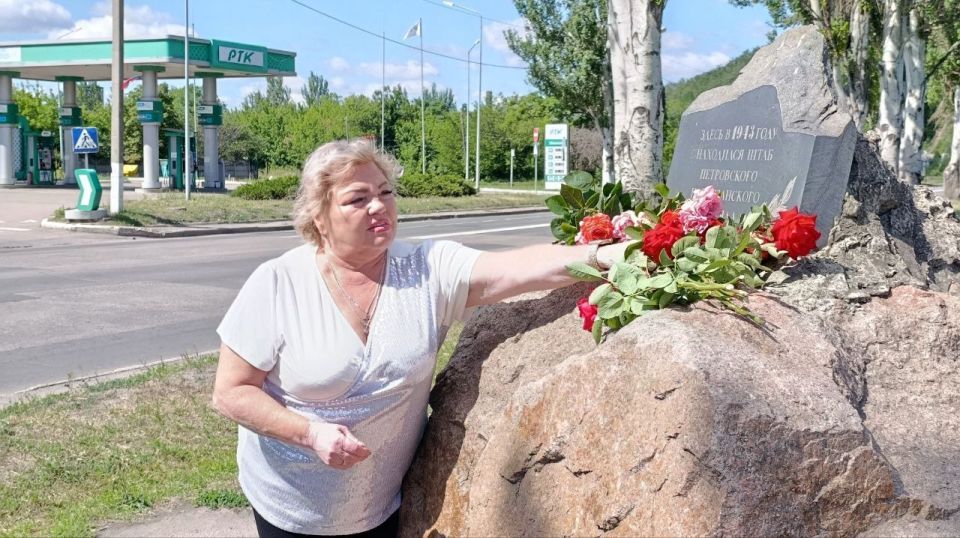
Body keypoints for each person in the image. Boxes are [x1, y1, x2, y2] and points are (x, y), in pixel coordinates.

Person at [212, 139, 627, 537]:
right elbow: (231, 392)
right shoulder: (278, 283)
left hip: (381, 507)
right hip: (290, 507)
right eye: (357, 199)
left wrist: (605, 256)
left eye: (385, 192)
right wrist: (309, 433)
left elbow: (518, 267)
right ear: (319, 217)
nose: (379, 206)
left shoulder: (427, 269)